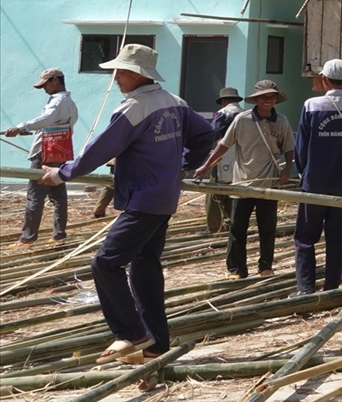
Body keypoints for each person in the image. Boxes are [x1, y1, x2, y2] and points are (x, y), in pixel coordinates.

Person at [39, 44, 214, 364]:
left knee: (105, 263)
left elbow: (99, 150)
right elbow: (205, 138)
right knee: (145, 267)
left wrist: (61, 174)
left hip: (145, 200)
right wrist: (180, 165)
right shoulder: (174, 102)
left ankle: (131, 333)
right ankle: (157, 344)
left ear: (137, 74)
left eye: (120, 72)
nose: (116, 78)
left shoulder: (134, 109)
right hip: (164, 197)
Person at [194, 80, 294, 279]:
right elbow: (223, 146)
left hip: (268, 184)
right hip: (242, 184)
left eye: (271, 96)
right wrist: (206, 166)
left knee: (267, 228)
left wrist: (287, 169)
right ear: (256, 99)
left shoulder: (281, 121)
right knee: (237, 228)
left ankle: (265, 266)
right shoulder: (242, 120)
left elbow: (289, 148)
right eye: (264, 97)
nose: (268, 100)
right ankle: (236, 269)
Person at [294, 59, 342, 295]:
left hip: (314, 185)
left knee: (305, 239)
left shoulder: (311, 106)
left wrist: (304, 176)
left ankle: (305, 289)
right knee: (337, 240)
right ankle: (331, 289)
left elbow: (301, 148)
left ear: (324, 79)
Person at [7, 68, 78, 247]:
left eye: (46, 84)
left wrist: (20, 126)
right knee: (58, 194)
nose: (44, 88)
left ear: (55, 80)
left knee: (35, 196)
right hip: (59, 152)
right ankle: (59, 235)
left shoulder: (57, 101)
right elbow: (57, 123)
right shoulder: (69, 102)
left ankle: (27, 238)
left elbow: (46, 119)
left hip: (44, 153)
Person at [204, 87, 244, 235]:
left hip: (223, 157)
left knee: (213, 192)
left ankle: (214, 227)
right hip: (242, 159)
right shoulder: (246, 114)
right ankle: (229, 223)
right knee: (234, 192)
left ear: (224, 101)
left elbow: (213, 134)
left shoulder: (223, 113)